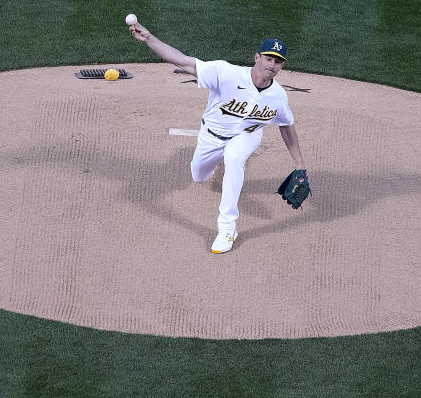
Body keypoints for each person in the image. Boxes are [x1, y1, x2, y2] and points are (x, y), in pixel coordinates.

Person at [129, 20, 307, 253]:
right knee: (199, 176)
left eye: (278, 61)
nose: (272, 65)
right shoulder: (226, 73)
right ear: (257, 58)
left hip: (247, 136)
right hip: (211, 136)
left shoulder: (278, 96)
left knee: (234, 157)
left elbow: (286, 126)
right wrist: (149, 38)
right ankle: (215, 165)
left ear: (282, 66)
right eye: (269, 58)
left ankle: (227, 227)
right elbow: (182, 60)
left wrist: (299, 165)